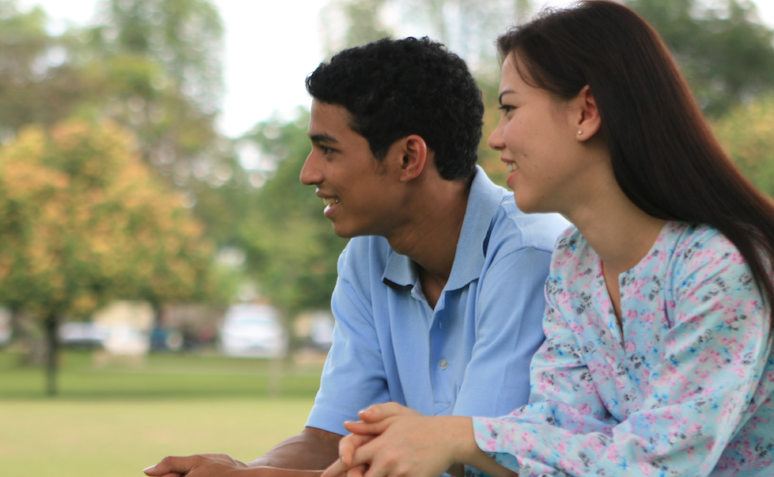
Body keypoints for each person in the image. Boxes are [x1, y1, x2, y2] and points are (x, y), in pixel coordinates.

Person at [323, 2, 774, 476]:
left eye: (510, 109)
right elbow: (559, 430)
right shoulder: (574, 263)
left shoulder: (721, 267)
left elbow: (659, 461)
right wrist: (420, 441)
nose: (495, 139)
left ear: (586, 111)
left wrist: (458, 436)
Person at [143, 37, 568, 477]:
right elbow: (330, 440)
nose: (308, 173)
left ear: (408, 158)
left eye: (328, 149)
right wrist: (242, 469)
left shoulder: (529, 254)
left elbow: (472, 465)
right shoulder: (366, 256)